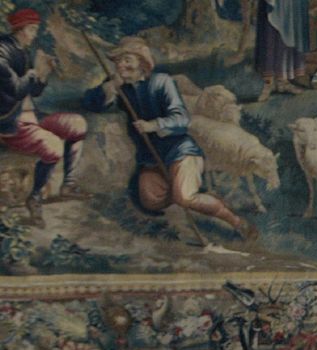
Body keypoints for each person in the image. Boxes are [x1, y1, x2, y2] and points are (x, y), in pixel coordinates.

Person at [83, 37, 256, 241]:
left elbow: (182, 119)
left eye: (127, 59)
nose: (121, 65)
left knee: (185, 197)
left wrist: (153, 125)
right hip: (151, 157)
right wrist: (109, 88)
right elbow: (90, 103)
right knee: (150, 200)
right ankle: (186, 194)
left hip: (179, 150)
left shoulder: (161, 82)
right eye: (118, 61)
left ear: (142, 62)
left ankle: (236, 222)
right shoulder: (119, 87)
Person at [0, 8, 87, 219]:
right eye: (32, 30)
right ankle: (35, 196)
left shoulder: (22, 51)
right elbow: (17, 89)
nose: (34, 34)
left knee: (77, 124)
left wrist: (43, 73)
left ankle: (68, 184)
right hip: (10, 123)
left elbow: (34, 91)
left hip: (31, 118)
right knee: (54, 145)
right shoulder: (2, 53)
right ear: (21, 29)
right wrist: (33, 72)